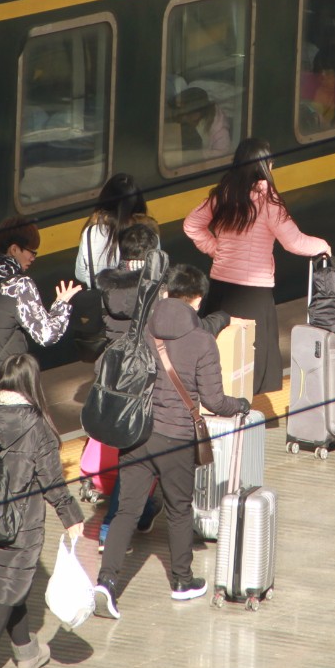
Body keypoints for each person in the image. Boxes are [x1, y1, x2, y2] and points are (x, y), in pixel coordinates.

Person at [93, 265, 250, 619]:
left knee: (126, 511)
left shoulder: (143, 327)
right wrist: (239, 405)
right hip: (176, 438)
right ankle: (182, 581)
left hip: (136, 434)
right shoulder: (200, 340)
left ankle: (106, 582)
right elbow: (214, 401)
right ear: (197, 299)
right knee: (180, 510)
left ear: (167, 292)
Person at [0, 354, 84, 668]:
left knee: (6, 585)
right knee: (6, 592)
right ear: (31, 383)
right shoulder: (36, 425)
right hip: (21, 524)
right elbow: (52, 479)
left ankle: (27, 653)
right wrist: (71, 515)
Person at [183, 138, 331, 397]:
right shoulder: (268, 200)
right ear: (264, 165)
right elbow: (293, 241)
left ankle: (216, 404)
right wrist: (323, 245)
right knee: (252, 360)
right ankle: (243, 412)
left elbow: (191, 225)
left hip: (221, 287)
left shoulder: (223, 194)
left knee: (219, 354)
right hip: (255, 293)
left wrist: (215, 248)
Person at [90, 221, 164, 551]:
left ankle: (146, 510)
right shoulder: (152, 288)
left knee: (130, 451)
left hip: (110, 375)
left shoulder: (107, 286)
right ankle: (111, 527)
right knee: (136, 455)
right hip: (142, 377)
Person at [0, 221, 79, 369]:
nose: (33, 258)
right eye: (31, 252)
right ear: (14, 249)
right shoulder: (18, 285)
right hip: (4, 375)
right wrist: (61, 305)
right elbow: (46, 335)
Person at [75, 173, 152, 287]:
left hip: (103, 301)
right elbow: (155, 269)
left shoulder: (91, 233)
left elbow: (80, 275)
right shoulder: (149, 232)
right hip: (141, 300)